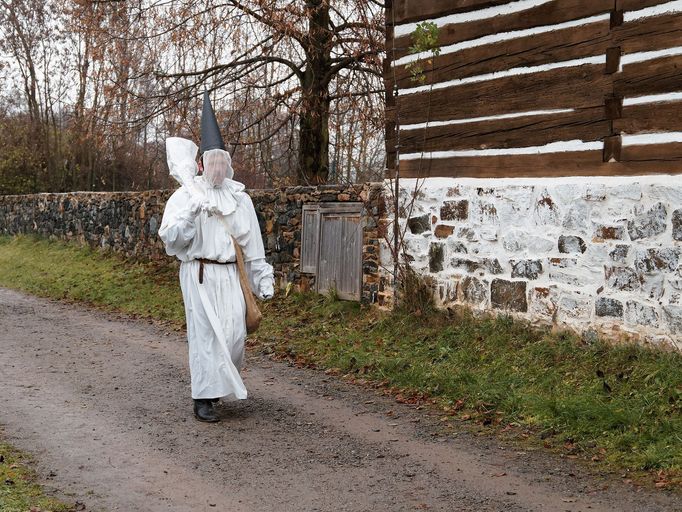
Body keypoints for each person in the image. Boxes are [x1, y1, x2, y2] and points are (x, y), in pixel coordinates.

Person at [159, 92, 274, 423]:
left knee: (235, 334)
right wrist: (189, 216)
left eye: (223, 162)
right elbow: (172, 240)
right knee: (206, 335)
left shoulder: (240, 199)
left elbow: (251, 243)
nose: (218, 168)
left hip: (230, 277)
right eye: (212, 162)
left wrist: (261, 278)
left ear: (228, 163)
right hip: (199, 273)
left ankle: (217, 386)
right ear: (201, 164)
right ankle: (203, 398)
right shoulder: (185, 196)